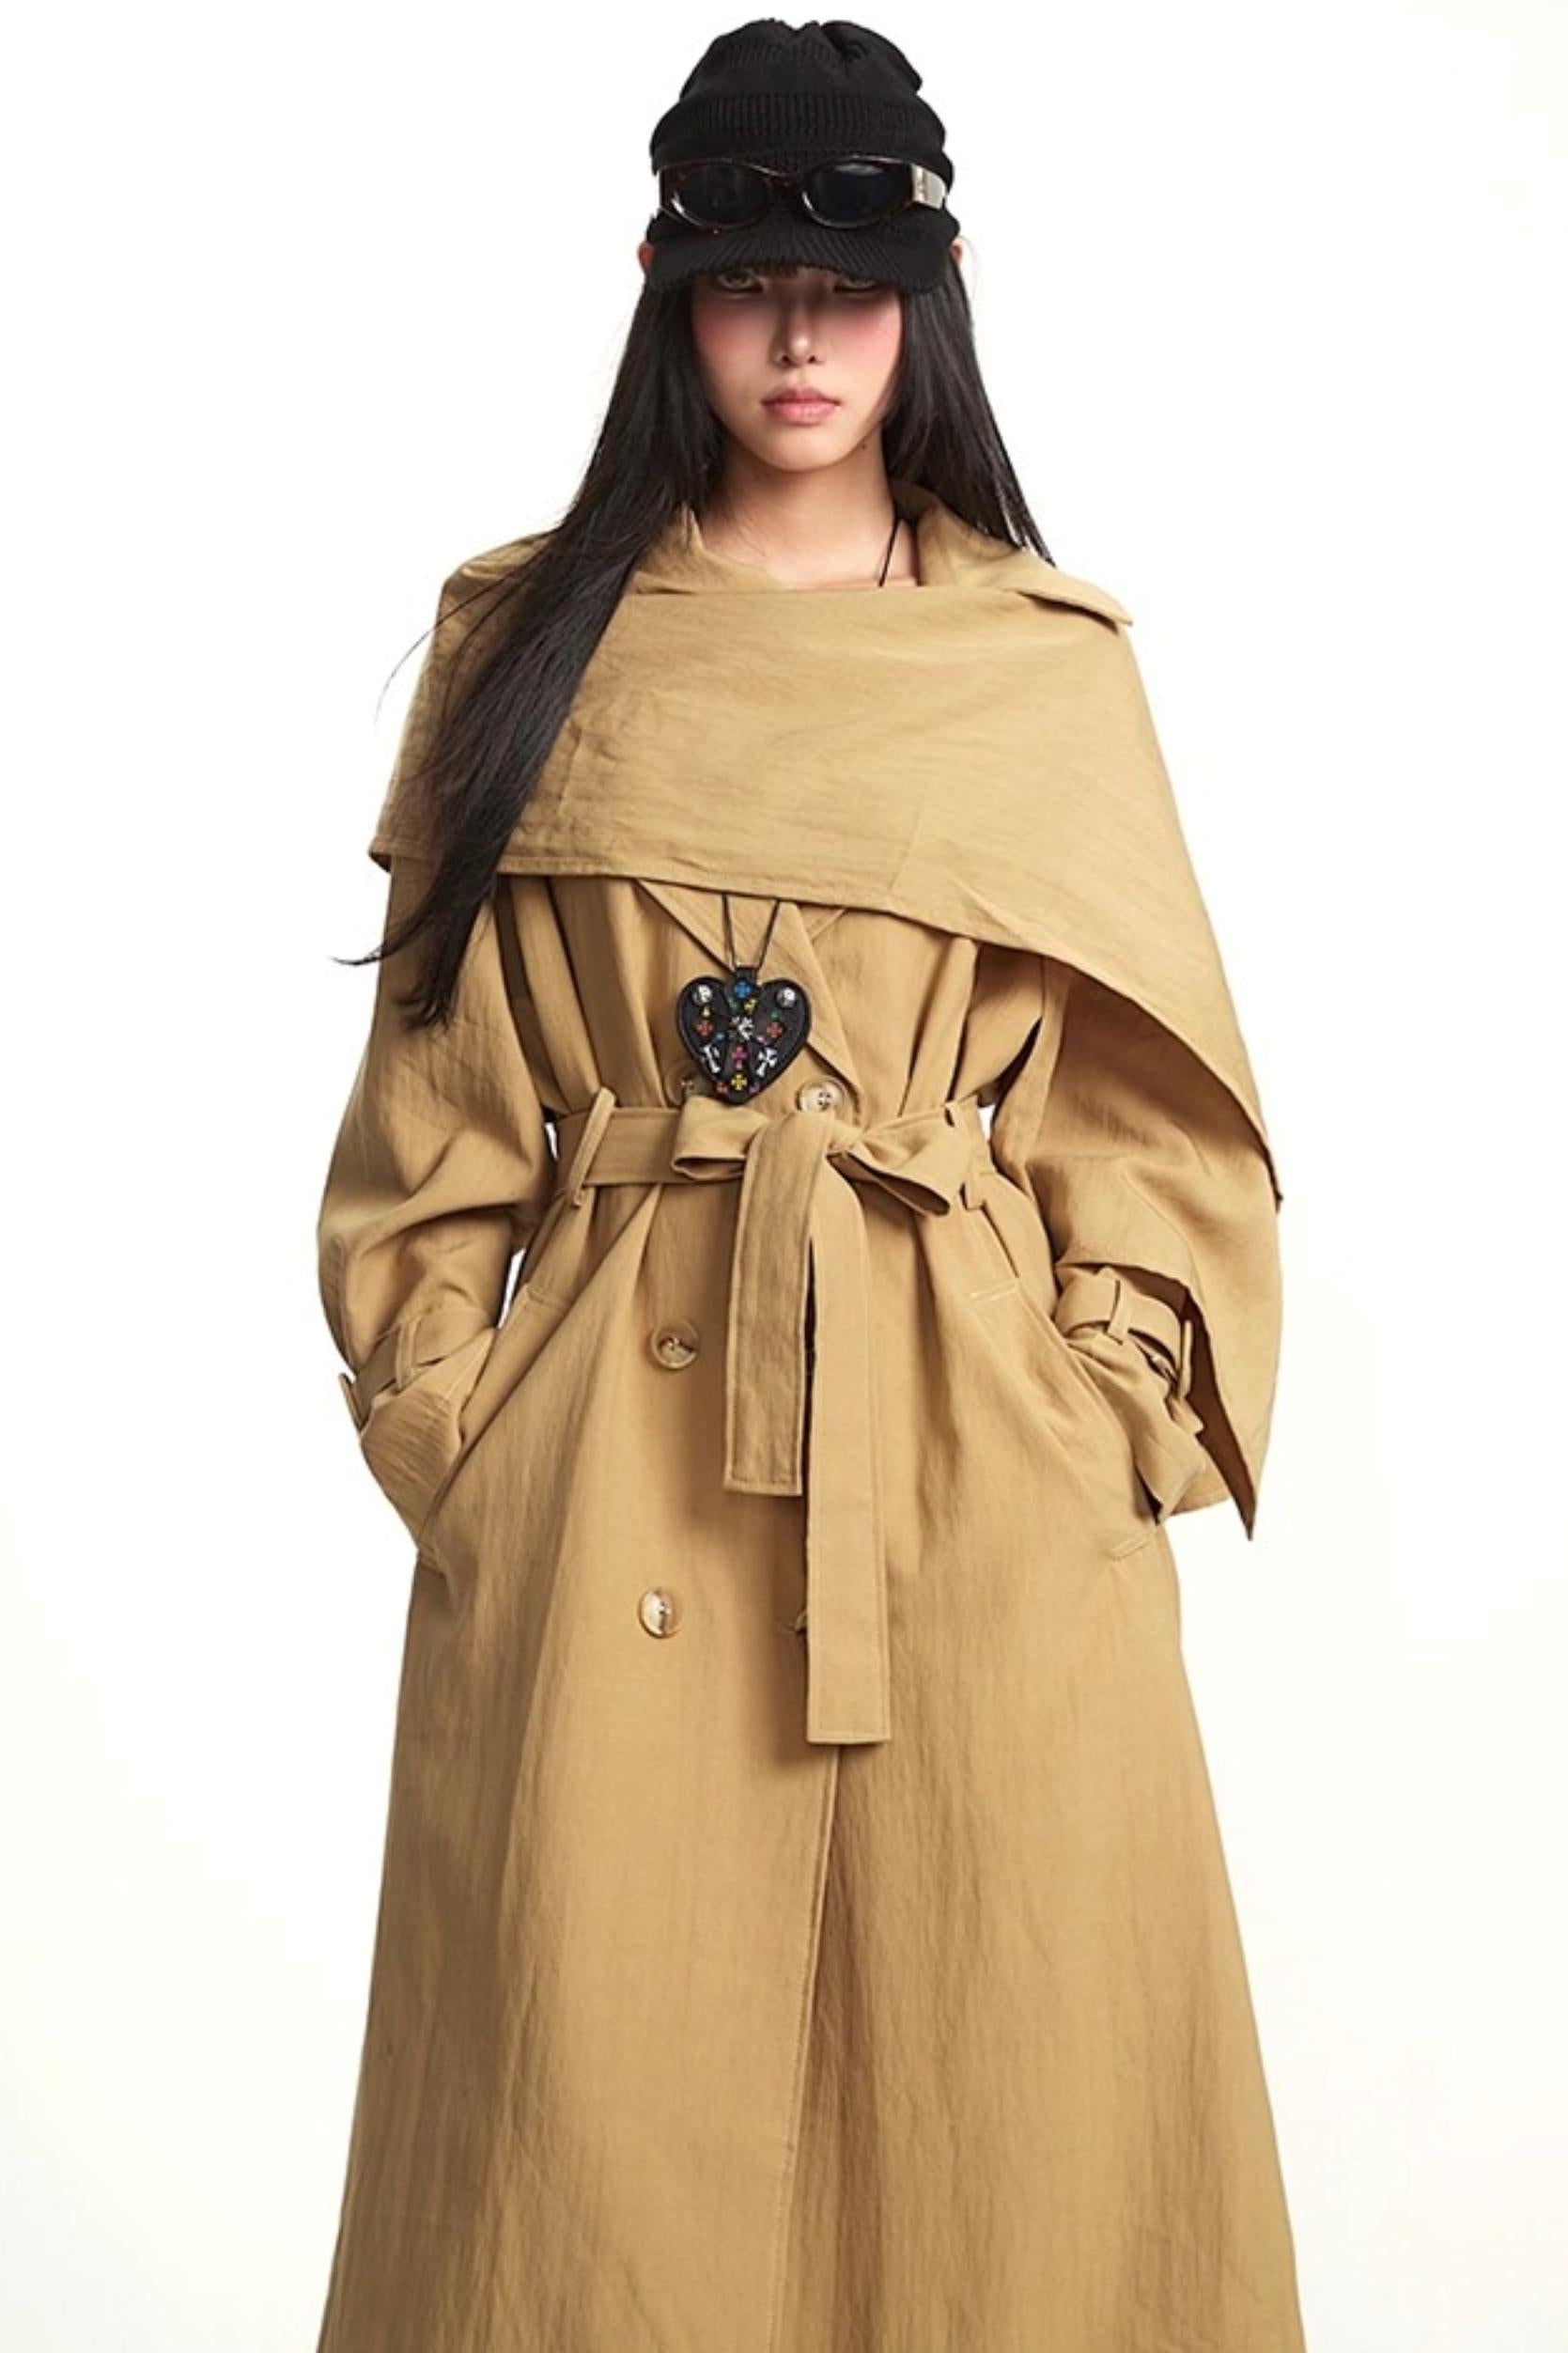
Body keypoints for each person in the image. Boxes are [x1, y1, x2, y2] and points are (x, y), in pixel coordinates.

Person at [312, 19, 1308, 2351]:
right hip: (612, 1514)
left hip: (975, 1509)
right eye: (746, 279)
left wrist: (1084, 1421)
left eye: (845, 283)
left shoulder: (1035, 673)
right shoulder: (523, 645)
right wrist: (479, 1448)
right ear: (668, 291)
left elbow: (1149, 1140)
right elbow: (427, 1137)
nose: (795, 334)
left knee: (1007, 2142)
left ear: (924, 297)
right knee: (576, 2189)